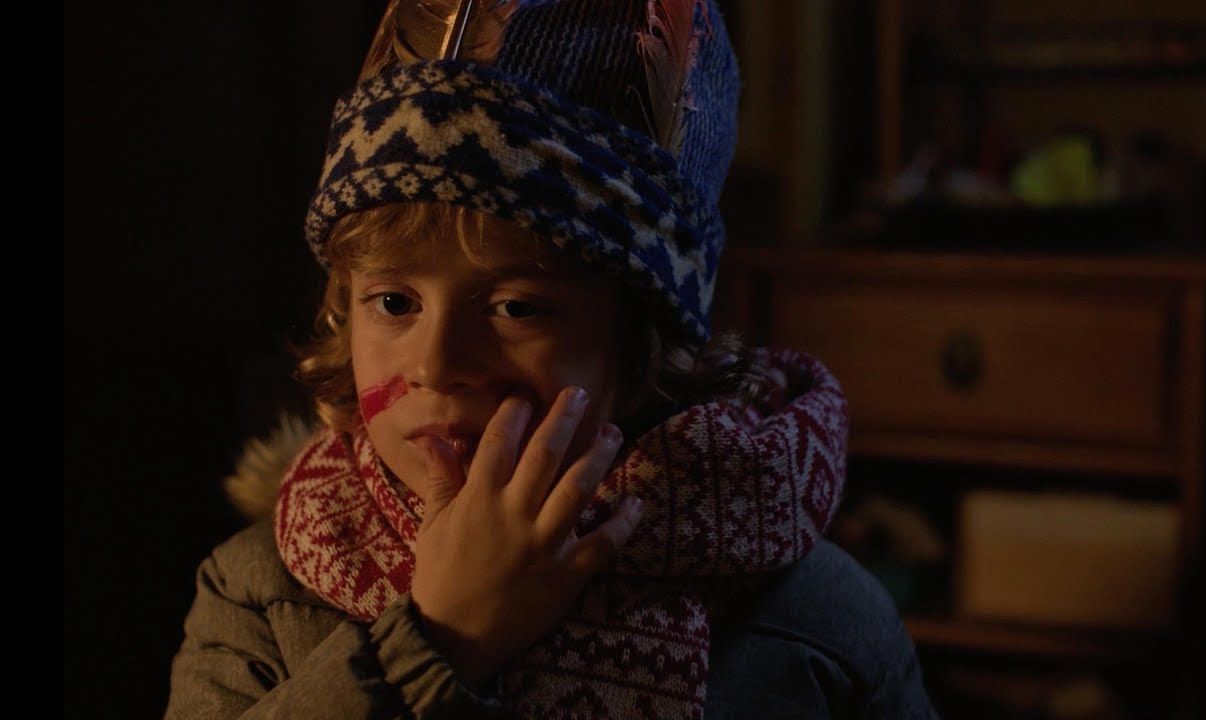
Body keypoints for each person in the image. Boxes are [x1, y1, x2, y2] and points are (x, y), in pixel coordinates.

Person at [164, 1, 939, 718]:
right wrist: (439, 643)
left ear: (642, 347)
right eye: (394, 302)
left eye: (517, 308)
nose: (435, 364)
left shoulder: (815, 623)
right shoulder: (261, 593)